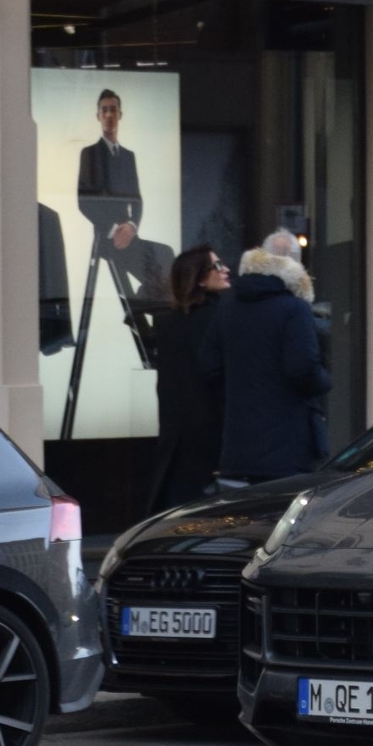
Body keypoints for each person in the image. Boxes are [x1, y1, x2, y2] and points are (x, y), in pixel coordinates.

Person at [203, 229, 331, 487]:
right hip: (288, 447)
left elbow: (209, 367)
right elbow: (303, 369)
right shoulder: (295, 309)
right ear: (294, 263)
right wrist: (325, 381)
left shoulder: (227, 308)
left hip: (237, 449)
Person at [76, 88, 173, 315]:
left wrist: (130, 226)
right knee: (158, 273)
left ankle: (145, 305)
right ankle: (144, 306)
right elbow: (84, 202)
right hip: (108, 238)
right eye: (105, 110)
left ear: (120, 114)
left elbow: (137, 201)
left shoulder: (128, 157)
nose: (109, 115)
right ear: (98, 115)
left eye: (113, 110)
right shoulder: (89, 154)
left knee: (165, 254)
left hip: (129, 237)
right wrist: (114, 230)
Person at [146, 246, 229, 510]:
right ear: (200, 277)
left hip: (178, 432)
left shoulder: (166, 323)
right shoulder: (220, 318)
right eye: (217, 265)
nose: (225, 269)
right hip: (212, 430)